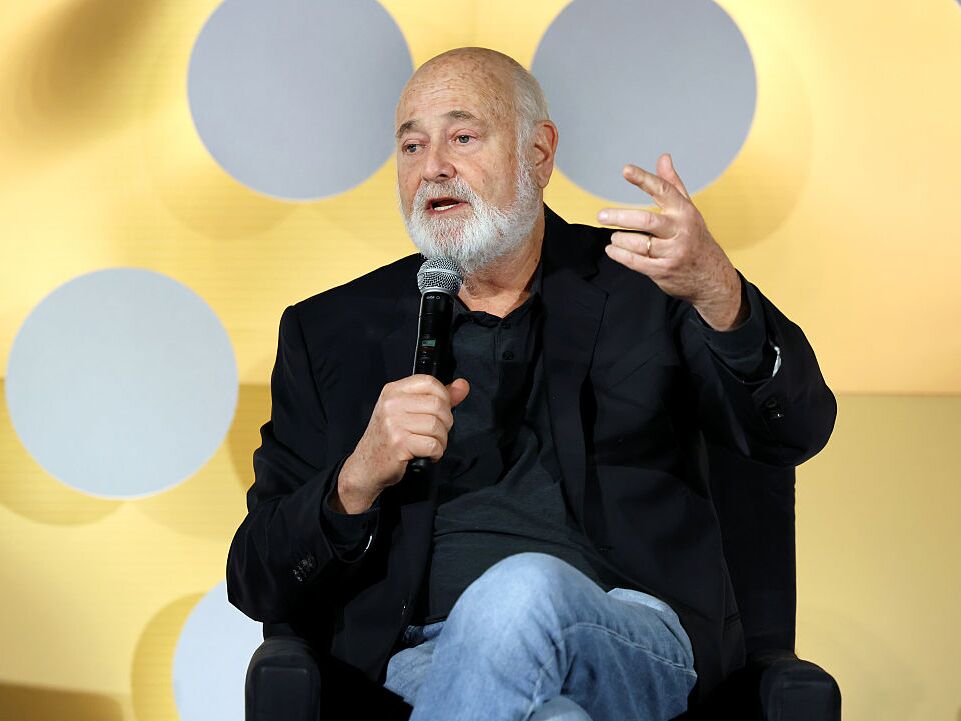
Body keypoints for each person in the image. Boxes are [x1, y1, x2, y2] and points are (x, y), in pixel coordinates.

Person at [226, 47, 836, 721]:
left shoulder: (652, 290)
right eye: (410, 145)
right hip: (425, 661)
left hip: (631, 639)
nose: (432, 167)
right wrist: (358, 475)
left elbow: (794, 429)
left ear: (539, 154)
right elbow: (257, 577)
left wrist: (720, 292)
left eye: (461, 137)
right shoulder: (331, 330)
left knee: (519, 593)